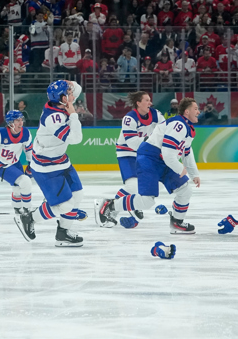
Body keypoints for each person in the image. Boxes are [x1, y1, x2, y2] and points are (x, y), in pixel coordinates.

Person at [105, 97, 201, 234]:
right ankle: (110, 205)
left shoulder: (188, 128)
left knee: (185, 190)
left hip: (162, 161)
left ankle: (177, 223)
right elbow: (168, 153)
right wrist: (180, 168)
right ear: (186, 111)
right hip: (149, 158)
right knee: (147, 201)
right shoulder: (178, 125)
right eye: (195, 109)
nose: (198, 112)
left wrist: (194, 174)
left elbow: (186, 152)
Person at [14, 80, 86, 247]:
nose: (73, 95)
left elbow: (78, 88)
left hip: (60, 161)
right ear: (63, 98)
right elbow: (76, 139)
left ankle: (63, 233)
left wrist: (69, 83)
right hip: (46, 167)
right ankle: (29, 218)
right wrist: (74, 115)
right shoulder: (53, 118)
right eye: (69, 93)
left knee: (77, 195)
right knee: (66, 205)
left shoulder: (61, 103)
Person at [94, 91, 166, 228]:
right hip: (127, 152)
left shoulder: (156, 114)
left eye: (150, 100)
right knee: (132, 186)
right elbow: (132, 143)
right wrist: (152, 141)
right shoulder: (129, 118)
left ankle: (127, 204)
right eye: (146, 100)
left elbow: (165, 130)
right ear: (138, 103)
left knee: (157, 183)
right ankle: (109, 208)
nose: (150, 103)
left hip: (145, 153)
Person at [0, 110, 34, 215]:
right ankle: (28, 211)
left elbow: (29, 149)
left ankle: (18, 210)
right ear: (10, 123)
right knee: (25, 182)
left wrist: (31, 163)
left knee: (18, 187)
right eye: (17, 121)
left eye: (21, 120)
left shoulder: (26, 133)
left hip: (15, 162)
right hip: (1, 165)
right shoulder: (0, 134)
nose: (21, 123)